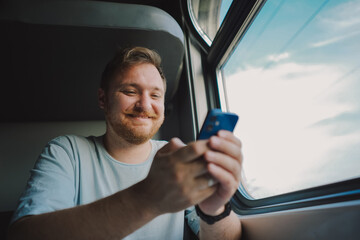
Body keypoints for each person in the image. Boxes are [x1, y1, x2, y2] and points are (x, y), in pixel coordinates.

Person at [7, 47, 243, 240]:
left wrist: (213, 210)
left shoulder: (175, 157)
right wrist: (149, 197)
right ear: (103, 99)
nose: (144, 104)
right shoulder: (66, 152)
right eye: (130, 91)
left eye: (155, 95)